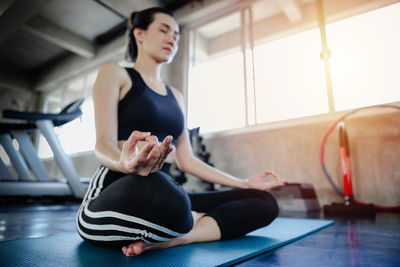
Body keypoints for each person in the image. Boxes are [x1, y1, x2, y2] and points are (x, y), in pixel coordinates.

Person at [76, 7, 288, 257]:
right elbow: (103, 143)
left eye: (176, 36)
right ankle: (189, 220)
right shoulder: (116, 73)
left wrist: (243, 183)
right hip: (118, 188)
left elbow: (187, 160)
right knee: (171, 197)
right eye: (164, 30)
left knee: (264, 202)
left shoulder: (176, 96)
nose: (172, 39)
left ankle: (182, 236)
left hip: (166, 191)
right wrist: (125, 163)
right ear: (139, 34)